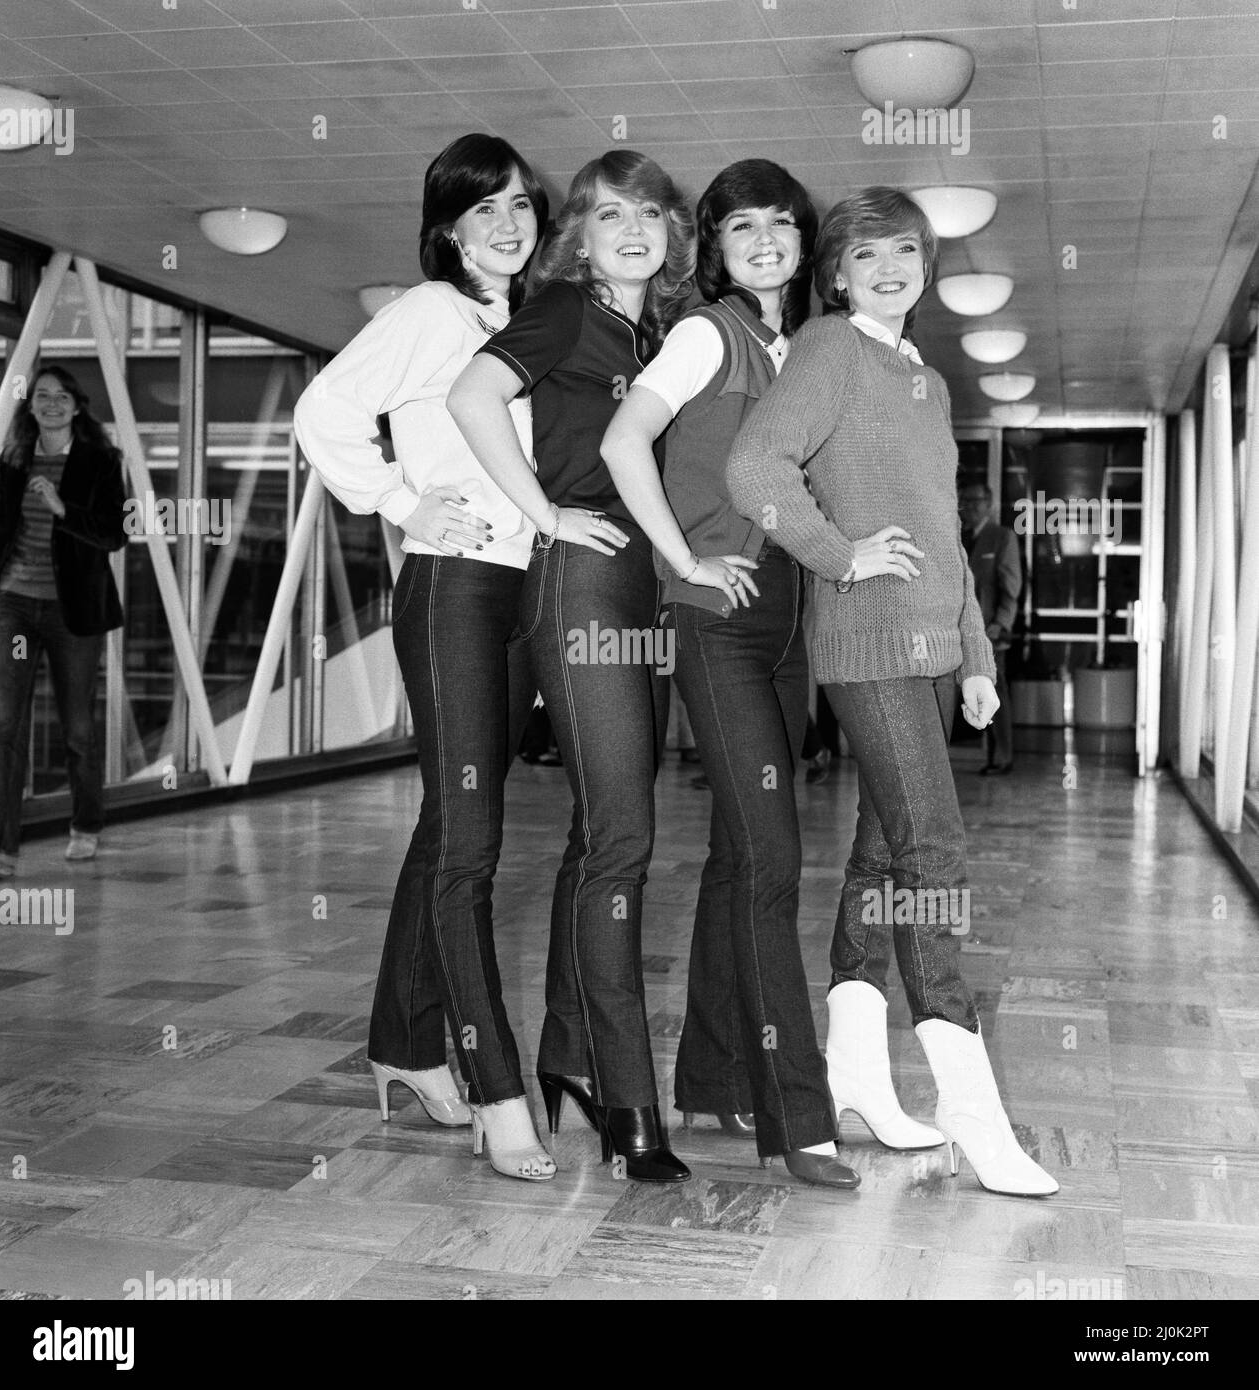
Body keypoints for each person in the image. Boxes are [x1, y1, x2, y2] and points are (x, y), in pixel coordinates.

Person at [726, 187, 1058, 1197]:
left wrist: (975, 655)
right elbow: (754, 466)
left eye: (904, 250)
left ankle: (855, 1076)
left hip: (923, 647)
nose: (886, 267)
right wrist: (839, 553)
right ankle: (969, 1101)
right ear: (834, 272)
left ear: (925, 265)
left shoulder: (920, 376)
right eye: (864, 253)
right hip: (865, 646)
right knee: (934, 849)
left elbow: (947, 533)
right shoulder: (830, 348)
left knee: (882, 855)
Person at [293, 134, 557, 1183]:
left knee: (452, 823)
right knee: (472, 843)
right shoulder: (428, 313)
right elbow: (324, 412)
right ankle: (496, 1088)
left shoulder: (519, 321)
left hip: (520, 583)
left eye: (519, 205)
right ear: (447, 228)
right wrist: (402, 500)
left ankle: (402, 1045)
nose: (505, 223)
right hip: (450, 584)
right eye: (481, 209)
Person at [599, 159, 856, 1188]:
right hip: (720, 621)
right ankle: (799, 1117)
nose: (761, 240)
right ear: (715, 245)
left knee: (735, 858)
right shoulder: (708, 332)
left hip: (792, 623)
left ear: (803, 242)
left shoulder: (808, 349)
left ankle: (712, 1074)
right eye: (739, 226)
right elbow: (626, 441)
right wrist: (679, 560)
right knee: (771, 861)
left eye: (779, 224)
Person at [448, 149, 694, 1183]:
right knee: (625, 838)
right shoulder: (560, 311)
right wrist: (544, 512)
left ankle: (568, 1057)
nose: (631, 228)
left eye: (649, 213)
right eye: (608, 214)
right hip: (582, 579)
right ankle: (631, 1102)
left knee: (605, 826)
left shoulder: (660, 333)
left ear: (673, 232)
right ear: (579, 237)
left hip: (647, 585)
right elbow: (471, 398)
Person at [0, 366, 125, 879]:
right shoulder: (14, 460)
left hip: (72, 614)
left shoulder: (101, 461)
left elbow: (114, 534)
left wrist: (62, 507)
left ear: (77, 406)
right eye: (42, 396)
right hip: (15, 607)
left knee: (78, 729)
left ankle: (86, 826)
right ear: (31, 407)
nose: (51, 403)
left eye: (61, 395)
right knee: (3, 724)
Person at [959, 482, 1022, 774]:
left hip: (991, 633)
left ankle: (1002, 757)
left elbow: (1011, 587)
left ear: (990, 502)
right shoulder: (959, 536)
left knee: (996, 693)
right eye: (966, 500)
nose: (970, 506)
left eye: (977, 500)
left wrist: (1002, 623)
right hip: (958, 632)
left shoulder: (1002, 537)